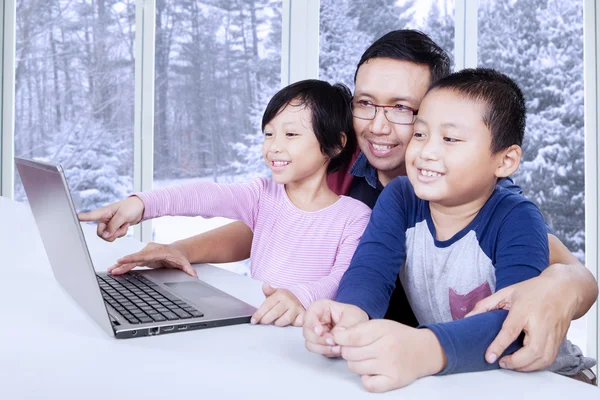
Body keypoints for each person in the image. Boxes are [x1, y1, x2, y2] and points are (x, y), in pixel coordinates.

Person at [90, 30, 598, 376]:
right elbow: (278, 221)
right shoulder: (345, 163)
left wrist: (567, 282)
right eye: (366, 103)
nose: (379, 126)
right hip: (390, 363)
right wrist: (184, 250)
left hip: (479, 365)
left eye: (405, 111)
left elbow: (551, 272)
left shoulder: (490, 203)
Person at [303, 68, 596, 391]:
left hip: (550, 380)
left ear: (505, 161)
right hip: (462, 378)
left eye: (450, 139)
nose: (427, 151)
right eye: (420, 134)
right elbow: (370, 270)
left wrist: (422, 348)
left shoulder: (516, 218)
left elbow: (517, 326)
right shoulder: (400, 198)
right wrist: (350, 313)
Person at [79, 80, 372, 327]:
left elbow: (343, 277)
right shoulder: (262, 195)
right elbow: (207, 195)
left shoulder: (354, 216)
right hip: (256, 325)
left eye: (291, 134)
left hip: (306, 337)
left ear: (335, 143)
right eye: (269, 133)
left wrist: (300, 297)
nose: (274, 146)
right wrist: (141, 205)